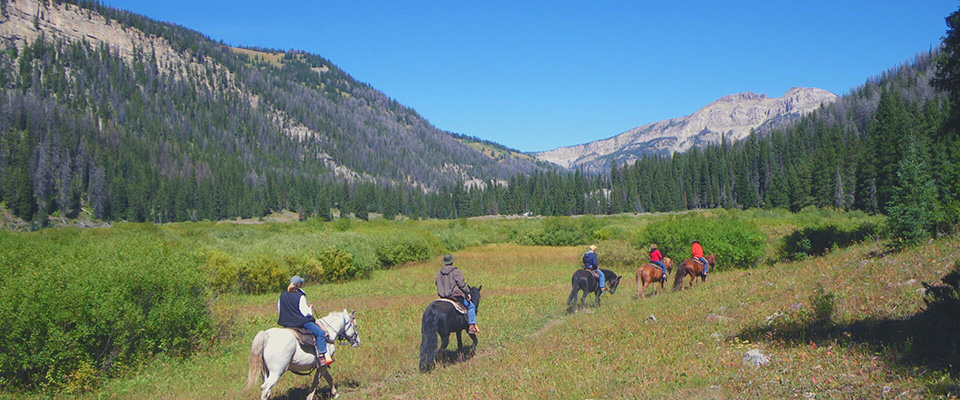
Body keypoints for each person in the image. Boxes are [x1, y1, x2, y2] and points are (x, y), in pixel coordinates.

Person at [277, 275, 330, 366]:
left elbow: (279, 309)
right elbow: (305, 313)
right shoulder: (300, 296)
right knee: (320, 333)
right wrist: (310, 308)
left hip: (286, 323)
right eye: (302, 283)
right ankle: (321, 357)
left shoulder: (282, 295)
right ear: (299, 284)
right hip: (299, 322)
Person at [436, 254, 479, 334]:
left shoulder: (439, 272)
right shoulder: (455, 271)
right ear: (452, 261)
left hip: (443, 297)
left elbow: (437, 283)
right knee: (471, 306)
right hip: (455, 296)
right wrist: (467, 292)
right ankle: (471, 326)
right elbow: (461, 283)